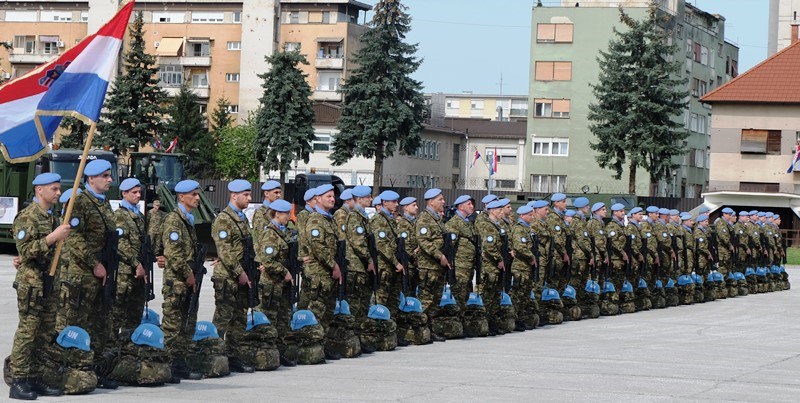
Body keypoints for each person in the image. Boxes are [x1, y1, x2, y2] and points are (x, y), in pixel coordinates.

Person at [54, 159, 118, 389]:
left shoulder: (104, 204)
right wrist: (94, 264)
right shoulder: (79, 202)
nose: (110, 180)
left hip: (102, 275)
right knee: (76, 322)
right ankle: (69, 371)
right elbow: (73, 236)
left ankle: (95, 370)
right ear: (91, 178)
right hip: (82, 275)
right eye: (105, 176)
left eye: (110, 175)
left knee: (101, 323)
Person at [9, 173, 70, 400]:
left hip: (49, 282)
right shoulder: (27, 217)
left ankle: (36, 377)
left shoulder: (52, 217)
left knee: (44, 333)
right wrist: (53, 237)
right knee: (28, 332)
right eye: (54, 189)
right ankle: (19, 380)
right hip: (32, 284)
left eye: (58, 188)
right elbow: (26, 251)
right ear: (39, 190)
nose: (58, 193)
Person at [210, 179, 255, 373]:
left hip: (243, 275)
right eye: (245, 195)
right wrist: (240, 272)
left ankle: (233, 356)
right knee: (223, 318)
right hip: (229, 277)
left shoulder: (242, 218)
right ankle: (211, 356)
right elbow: (225, 251)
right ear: (233, 195)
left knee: (239, 319)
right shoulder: (223, 219)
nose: (249, 198)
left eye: (249, 194)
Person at [161, 180, 204, 381]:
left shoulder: (188, 219)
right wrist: (188, 274)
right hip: (177, 281)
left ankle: (179, 362)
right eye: (193, 195)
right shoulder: (174, 220)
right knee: (173, 324)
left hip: (188, 280)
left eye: (197, 194)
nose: (197, 198)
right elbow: (173, 253)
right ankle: (168, 363)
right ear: (181, 197)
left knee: (188, 322)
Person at [301, 184, 343, 357]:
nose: (332, 199)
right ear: (317, 199)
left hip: (329, 274)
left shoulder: (329, 219)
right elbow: (318, 247)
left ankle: (322, 347)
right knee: (316, 312)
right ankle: (308, 348)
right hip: (320, 273)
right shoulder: (316, 220)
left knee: (327, 312)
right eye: (328, 197)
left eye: (333, 196)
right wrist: (334, 265)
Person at [256, 199, 298, 367]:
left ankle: (280, 352)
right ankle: (267, 353)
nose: (289, 216)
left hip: (283, 285)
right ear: (277, 214)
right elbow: (268, 260)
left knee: (283, 319)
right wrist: (285, 272)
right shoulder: (270, 234)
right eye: (287, 214)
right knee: (270, 318)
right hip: (272, 285)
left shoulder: (283, 232)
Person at [111, 178, 149, 342]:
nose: (138, 195)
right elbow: (120, 243)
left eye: (139, 192)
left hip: (138, 272)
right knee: (117, 314)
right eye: (134, 192)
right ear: (124, 194)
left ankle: (128, 350)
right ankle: (111, 350)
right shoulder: (120, 215)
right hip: (124, 273)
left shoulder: (138, 215)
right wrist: (136, 264)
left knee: (134, 315)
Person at [414, 188, 448, 342]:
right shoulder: (424, 218)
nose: (443, 202)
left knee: (435, 301)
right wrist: (439, 255)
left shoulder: (437, 219)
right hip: (428, 266)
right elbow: (423, 241)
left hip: (438, 267)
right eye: (440, 199)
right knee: (425, 300)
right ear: (431, 201)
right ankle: (419, 331)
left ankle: (430, 330)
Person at [475, 198, 510, 335]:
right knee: (487, 294)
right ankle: (484, 324)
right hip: (490, 265)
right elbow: (489, 246)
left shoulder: (497, 226)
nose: (502, 212)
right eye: (500, 210)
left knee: (495, 295)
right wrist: (499, 259)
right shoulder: (488, 226)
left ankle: (492, 323)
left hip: (496, 266)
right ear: (494, 211)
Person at [370, 190, 405, 318]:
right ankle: (378, 332)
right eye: (394, 202)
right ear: (384, 203)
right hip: (384, 268)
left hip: (393, 268)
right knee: (380, 303)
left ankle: (390, 332)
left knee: (393, 302)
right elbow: (382, 245)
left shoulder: (390, 220)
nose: (397, 204)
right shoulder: (379, 220)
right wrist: (396, 263)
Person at [443, 195, 477, 315]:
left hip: (468, 266)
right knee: (459, 296)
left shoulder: (468, 222)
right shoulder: (454, 223)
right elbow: (449, 246)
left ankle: (462, 321)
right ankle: (456, 321)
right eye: (469, 204)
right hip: (459, 267)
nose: (472, 206)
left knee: (466, 295)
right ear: (461, 207)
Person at [344, 185, 374, 321]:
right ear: (360, 199)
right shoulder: (355, 217)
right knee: (355, 303)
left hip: (361, 266)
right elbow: (358, 243)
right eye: (368, 197)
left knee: (363, 303)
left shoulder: (362, 216)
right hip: (356, 266)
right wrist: (369, 260)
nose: (371, 199)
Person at [510, 205, 537, 330]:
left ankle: (520, 319)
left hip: (526, 267)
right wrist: (532, 256)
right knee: (518, 294)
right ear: (522, 216)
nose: (532, 217)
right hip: (520, 267)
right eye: (530, 215)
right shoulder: (519, 229)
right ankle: (514, 319)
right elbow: (520, 246)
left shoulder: (527, 229)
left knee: (525, 295)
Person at [396, 197, 419, 292]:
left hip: (415, 265)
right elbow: (406, 247)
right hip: (408, 264)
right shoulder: (403, 224)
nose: (417, 207)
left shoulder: (415, 222)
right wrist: (416, 258)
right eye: (413, 205)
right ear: (406, 208)